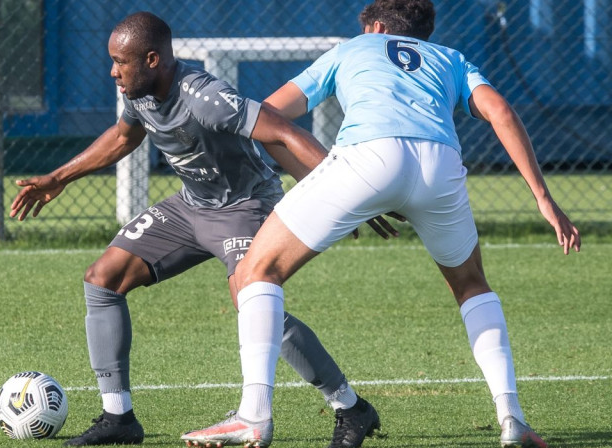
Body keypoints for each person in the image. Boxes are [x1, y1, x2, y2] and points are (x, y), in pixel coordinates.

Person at [181, 1, 581, 447]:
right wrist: (544, 199)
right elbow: (501, 111)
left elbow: (270, 116)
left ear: (375, 26)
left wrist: (320, 183)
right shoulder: (450, 59)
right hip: (439, 165)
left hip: (368, 157)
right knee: (471, 285)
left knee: (257, 272)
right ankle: (513, 419)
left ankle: (253, 416)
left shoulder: (354, 47)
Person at [10, 11, 400, 447]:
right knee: (102, 280)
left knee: (254, 304)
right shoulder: (137, 90)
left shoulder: (207, 97)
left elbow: (283, 132)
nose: (113, 71)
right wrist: (59, 177)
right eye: (112, 61)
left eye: (121, 62)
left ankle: (351, 408)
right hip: (190, 207)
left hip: (245, 207)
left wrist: (347, 186)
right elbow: (123, 137)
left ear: (153, 59)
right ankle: (118, 418)